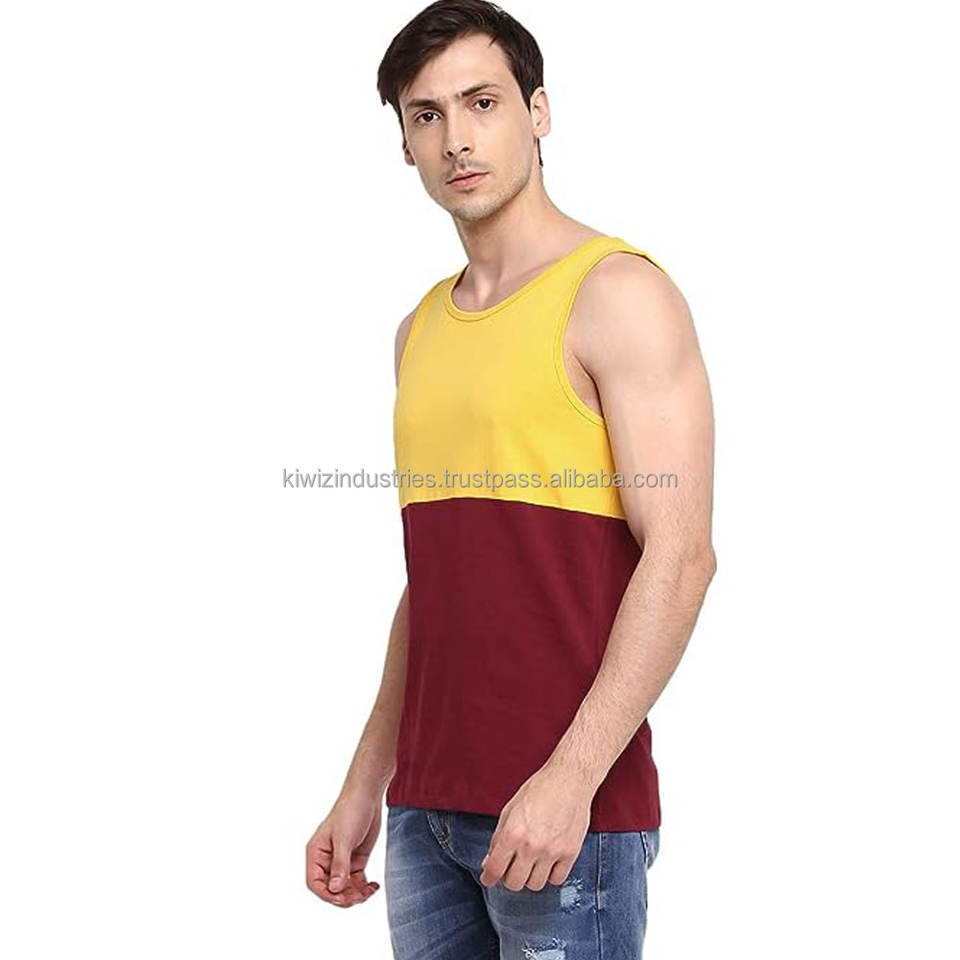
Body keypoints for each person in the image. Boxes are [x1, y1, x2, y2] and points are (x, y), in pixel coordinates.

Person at [306, 2, 716, 956]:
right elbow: (436, 583)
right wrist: (368, 780)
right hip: (424, 817)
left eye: (482, 102)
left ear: (538, 111)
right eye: (427, 115)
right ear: (404, 144)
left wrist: (570, 780)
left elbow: (682, 557)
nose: (457, 138)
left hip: (565, 818)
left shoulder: (618, 295)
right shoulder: (419, 332)